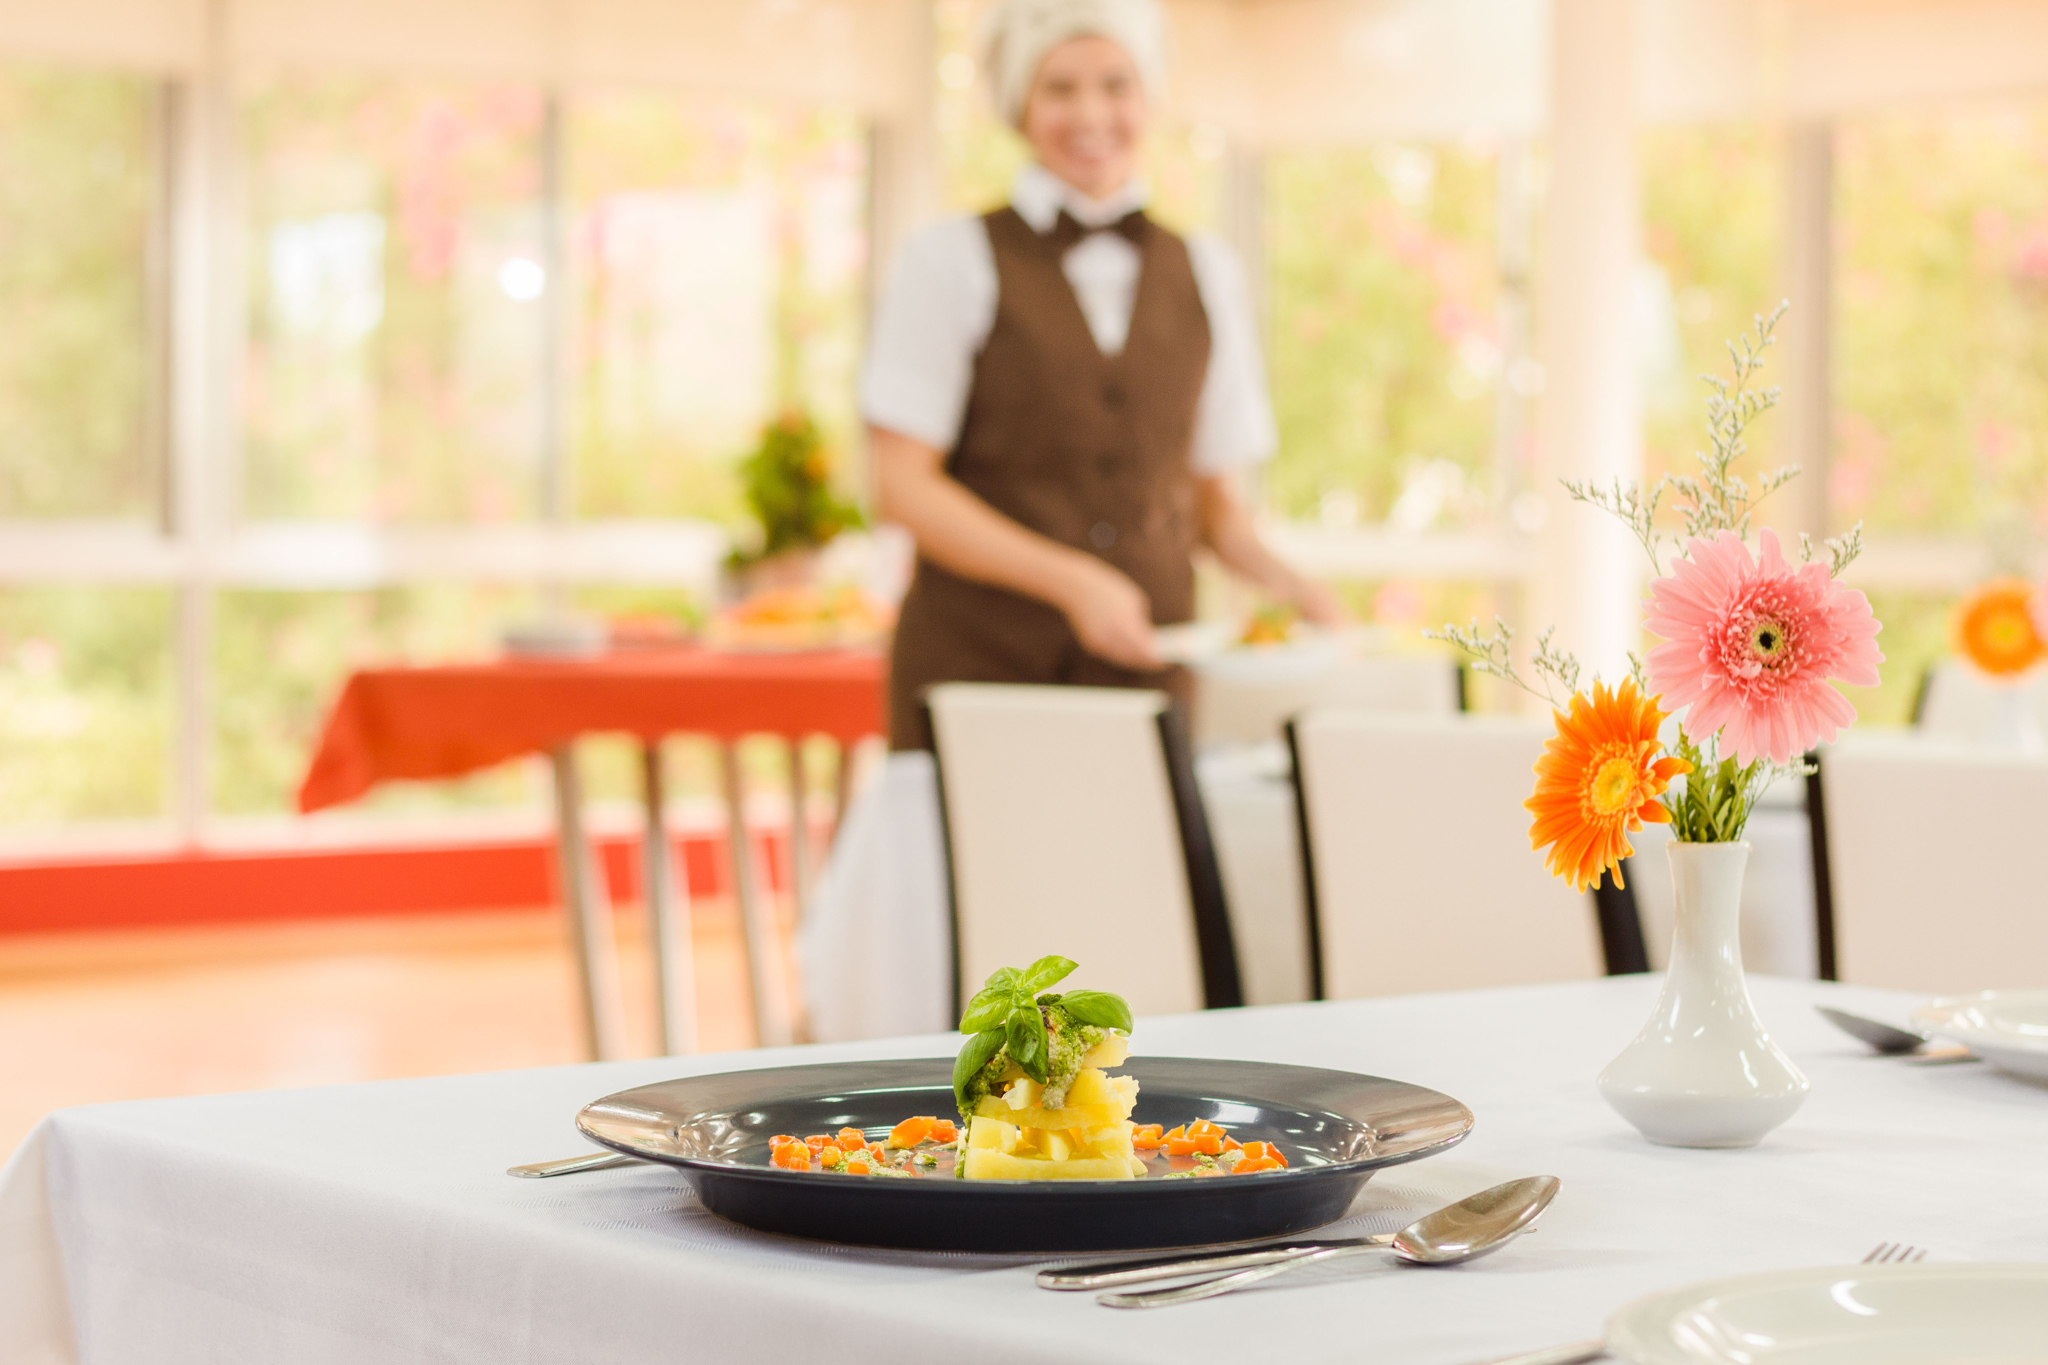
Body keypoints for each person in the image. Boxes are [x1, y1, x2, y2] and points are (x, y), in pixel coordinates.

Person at [862, 0, 1345, 749]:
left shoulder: (1209, 272)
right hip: (976, 680)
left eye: (1115, 84)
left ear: (1148, 98)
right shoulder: (947, 260)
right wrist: (1071, 581)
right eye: (1059, 87)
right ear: (1019, 103)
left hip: (1143, 690)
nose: (1091, 112)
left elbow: (1215, 506)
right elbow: (903, 487)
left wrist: (1301, 594)